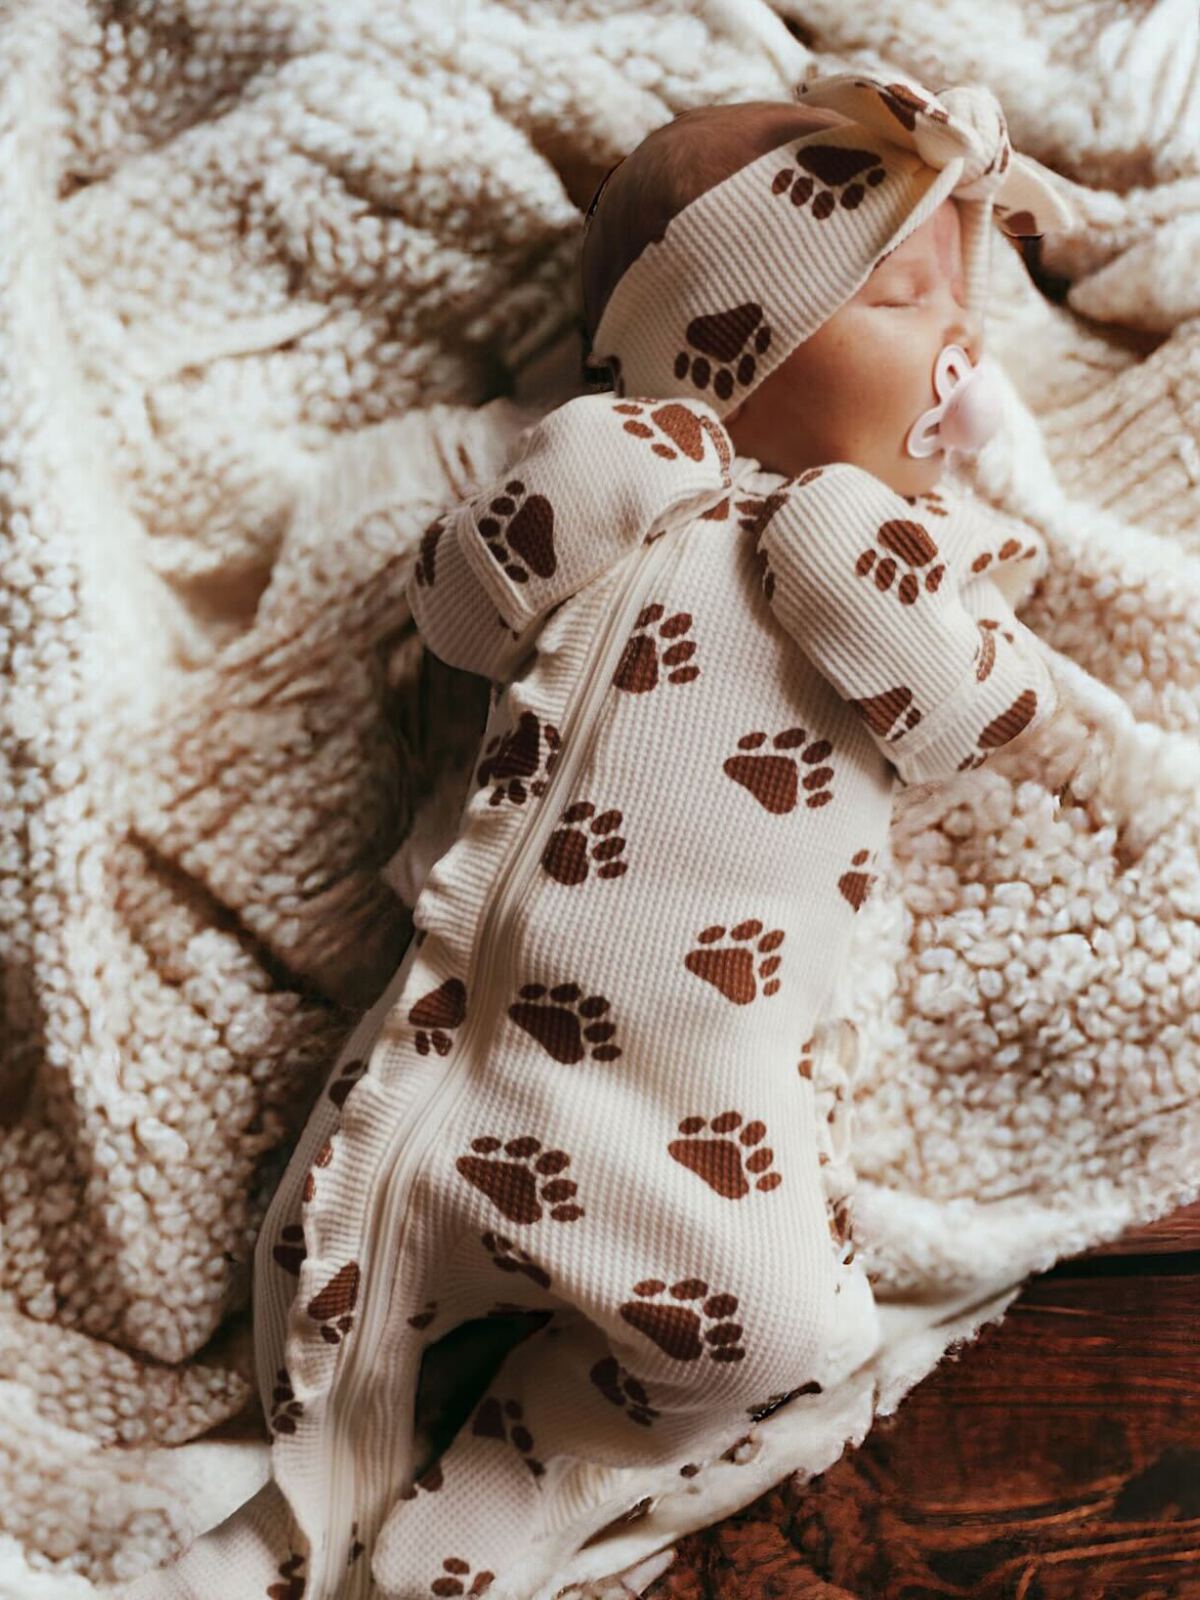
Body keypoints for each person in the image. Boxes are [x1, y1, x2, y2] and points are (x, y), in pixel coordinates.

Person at [120, 68, 1076, 1600]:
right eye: (903, 293)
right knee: (320, 1301)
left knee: (791, 1338)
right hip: (464, 1057)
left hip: (707, 1107)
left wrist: (857, 570)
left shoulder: (931, 546)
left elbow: (980, 714)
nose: (958, 347)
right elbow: (448, 614)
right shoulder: (616, 477)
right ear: (726, 330)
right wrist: (576, 482)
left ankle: (517, 1477)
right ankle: (310, 1506)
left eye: (957, 307)